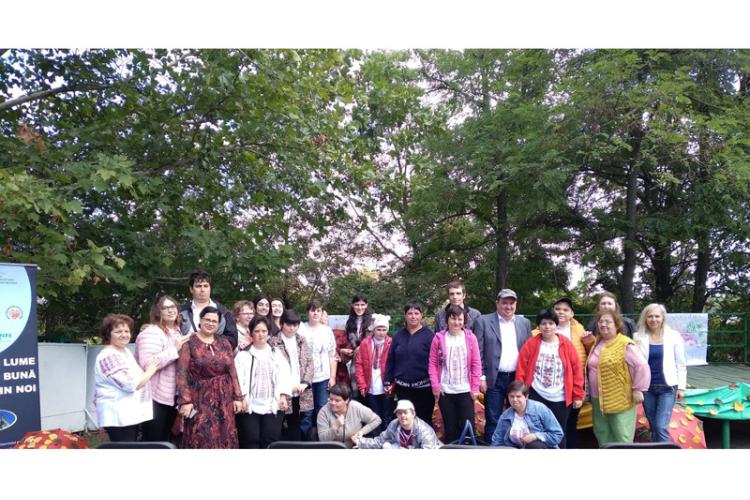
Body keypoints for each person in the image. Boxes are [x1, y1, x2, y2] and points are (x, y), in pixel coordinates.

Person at [176, 307, 244, 448]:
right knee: (201, 434)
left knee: (225, 433)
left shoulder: (225, 343)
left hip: (224, 398)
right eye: (207, 319)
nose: (210, 323)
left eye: (214, 321)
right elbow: (181, 374)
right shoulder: (189, 343)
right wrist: (186, 401)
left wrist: (238, 397)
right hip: (200, 398)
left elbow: (232, 372)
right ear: (200, 320)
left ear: (218, 324)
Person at [515, 309, 584, 448]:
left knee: (559, 432)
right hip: (536, 395)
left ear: (556, 325)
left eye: (551, 323)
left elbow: (576, 370)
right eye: (543, 323)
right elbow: (521, 368)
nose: (547, 327)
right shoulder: (531, 343)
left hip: (560, 397)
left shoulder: (566, 344)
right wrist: (520, 393)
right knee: (535, 431)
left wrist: (578, 395)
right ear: (538, 326)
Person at [473, 288, 532, 441]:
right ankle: (493, 448)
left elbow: (529, 352)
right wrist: (481, 376)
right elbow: (478, 351)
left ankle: (513, 446)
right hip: (494, 378)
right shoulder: (483, 321)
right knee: (493, 418)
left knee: (518, 417)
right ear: (497, 303)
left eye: (511, 303)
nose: (508, 306)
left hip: (517, 378)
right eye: (504, 303)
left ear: (516, 304)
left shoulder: (524, 323)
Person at [587, 310, 650, 446]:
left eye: (608, 322)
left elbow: (641, 366)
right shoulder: (597, 342)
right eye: (601, 321)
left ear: (617, 324)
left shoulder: (625, 344)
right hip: (597, 399)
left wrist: (638, 389)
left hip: (619, 399)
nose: (603, 324)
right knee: (602, 433)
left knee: (622, 435)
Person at [135, 295, 192, 442]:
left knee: (167, 439)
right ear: (157, 312)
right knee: (153, 440)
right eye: (165, 308)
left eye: (173, 307)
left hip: (173, 395)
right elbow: (148, 363)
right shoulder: (151, 333)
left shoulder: (178, 331)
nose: (170, 310)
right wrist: (174, 349)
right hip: (155, 396)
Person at [94, 314, 157, 442]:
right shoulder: (108, 356)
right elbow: (131, 384)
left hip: (129, 414)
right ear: (108, 334)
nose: (124, 335)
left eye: (127, 331)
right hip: (118, 417)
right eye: (118, 332)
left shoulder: (125, 351)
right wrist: (151, 370)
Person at [234, 316, 291, 448]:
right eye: (257, 331)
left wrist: (283, 396)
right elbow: (237, 378)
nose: (261, 334)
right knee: (250, 439)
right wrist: (242, 397)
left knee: (270, 440)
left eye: (264, 331)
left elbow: (285, 375)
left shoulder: (276, 354)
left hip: (272, 405)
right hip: (249, 405)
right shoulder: (243, 355)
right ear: (251, 333)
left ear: (269, 333)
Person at [428, 304, 482, 444]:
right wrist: (436, 386)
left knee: (467, 428)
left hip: (465, 391)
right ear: (447, 320)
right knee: (450, 429)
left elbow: (476, 364)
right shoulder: (438, 338)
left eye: (460, 319)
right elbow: (432, 364)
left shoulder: (471, 338)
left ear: (464, 321)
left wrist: (475, 388)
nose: (456, 322)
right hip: (445, 392)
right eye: (453, 318)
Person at [634, 303, 687, 443]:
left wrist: (681, 387)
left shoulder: (674, 336)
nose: (653, 319)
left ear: (663, 317)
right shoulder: (637, 337)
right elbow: (635, 365)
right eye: (650, 316)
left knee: (660, 426)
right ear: (645, 318)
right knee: (653, 426)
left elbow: (681, 363)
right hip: (647, 388)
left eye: (657, 316)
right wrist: (636, 388)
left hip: (668, 387)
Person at [550, 297, 594, 448]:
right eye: (557, 309)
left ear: (572, 314)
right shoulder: (541, 330)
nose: (561, 312)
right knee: (553, 422)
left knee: (571, 423)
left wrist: (589, 341)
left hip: (574, 383)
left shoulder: (580, 330)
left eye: (565, 310)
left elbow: (592, 353)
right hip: (551, 384)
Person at [383, 301, 436, 427]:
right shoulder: (398, 336)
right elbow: (391, 359)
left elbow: (435, 361)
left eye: (416, 313)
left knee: (424, 422)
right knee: (405, 421)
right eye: (410, 313)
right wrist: (387, 380)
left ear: (421, 315)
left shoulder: (429, 336)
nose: (413, 316)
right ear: (405, 316)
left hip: (424, 388)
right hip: (402, 389)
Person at [271, 308, 314, 441]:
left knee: (296, 424)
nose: (292, 328)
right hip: (282, 392)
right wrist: (285, 388)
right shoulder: (273, 342)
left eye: (295, 325)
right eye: (289, 324)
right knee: (277, 426)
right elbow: (273, 369)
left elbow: (309, 362)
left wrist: (305, 383)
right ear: (282, 323)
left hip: (300, 391)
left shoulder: (301, 340)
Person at [297, 300, 337, 426]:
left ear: (321, 313)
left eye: (318, 310)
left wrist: (332, 377)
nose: (315, 313)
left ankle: (321, 435)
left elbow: (332, 355)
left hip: (323, 378)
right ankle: (306, 437)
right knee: (306, 412)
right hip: (304, 379)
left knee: (322, 408)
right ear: (307, 313)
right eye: (312, 310)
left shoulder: (327, 331)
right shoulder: (300, 329)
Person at [491, 381, 564, 448]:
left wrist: (535, 436)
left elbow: (557, 434)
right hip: (515, 450)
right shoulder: (505, 416)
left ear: (526, 397)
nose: (515, 400)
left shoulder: (540, 409)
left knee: (535, 445)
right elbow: (497, 440)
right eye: (511, 396)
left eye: (518, 396)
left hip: (540, 450)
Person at [354, 313, 393, 433]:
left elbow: (395, 365)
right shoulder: (365, 343)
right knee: (374, 414)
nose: (381, 332)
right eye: (378, 329)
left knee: (386, 414)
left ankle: (387, 436)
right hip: (370, 384)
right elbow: (359, 364)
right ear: (373, 330)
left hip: (385, 384)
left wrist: (392, 384)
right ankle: (376, 437)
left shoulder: (391, 343)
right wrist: (361, 384)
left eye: (384, 330)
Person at [179, 271, 238, 349]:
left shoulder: (224, 312)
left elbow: (232, 339)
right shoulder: (181, 311)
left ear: (210, 288)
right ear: (191, 289)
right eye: (198, 286)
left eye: (206, 286)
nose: (202, 289)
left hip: (217, 354)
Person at [352, 400, 442, 449]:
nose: (402, 416)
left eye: (405, 412)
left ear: (413, 413)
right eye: (399, 413)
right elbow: (380, 441)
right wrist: (360, 442)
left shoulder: (424, 430)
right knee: (386, 446)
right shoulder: (394, 424)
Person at [316, 383, 381, 448]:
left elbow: (377, 420)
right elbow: (323, 440)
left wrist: (361, 432)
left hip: (353, 447)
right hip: (333, 448)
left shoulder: (356, 407)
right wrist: (335, 426)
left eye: (337, 401)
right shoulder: (323, 412)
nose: (333, 403)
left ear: (346, 400)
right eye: (331, 399)